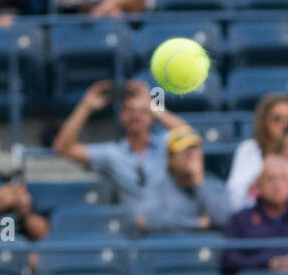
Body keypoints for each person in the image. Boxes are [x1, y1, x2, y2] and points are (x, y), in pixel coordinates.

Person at [52, 79, 187, 209]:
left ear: (151, 115)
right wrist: (85, 106)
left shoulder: (165, 144)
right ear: (121, 117)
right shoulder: (113, 154)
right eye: (128, 110)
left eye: (141, 111)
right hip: (133, 228)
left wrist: (152, 107)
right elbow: (63, 148)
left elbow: (189, 135)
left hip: (171, 223)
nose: (135, 115)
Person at [222, 156, 288, 274]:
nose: (277, 185)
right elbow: (229, 260)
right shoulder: (240, 220)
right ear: (258, 184)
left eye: (283, 178)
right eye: (270, 179)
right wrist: (265, 264)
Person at [132, 126, 230, 233]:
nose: (191, 155)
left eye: (195, 149)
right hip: (170, 247)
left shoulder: (213, 184)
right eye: (184, 151)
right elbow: (145, 220)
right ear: (170, 158)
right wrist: (195, 223)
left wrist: (199, 181)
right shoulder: (158, 185)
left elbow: (225, 219)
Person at [226, 92, 288, 208]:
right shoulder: (248, 149)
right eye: (277, 119)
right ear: (265, 120)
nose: (284, 125)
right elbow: (234, 199)